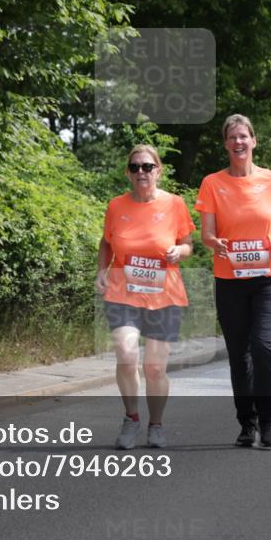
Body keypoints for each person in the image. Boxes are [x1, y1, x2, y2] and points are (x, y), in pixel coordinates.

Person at [195, 114, 271, 448]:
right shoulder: (212, 183)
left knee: (263, 347)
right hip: (230, 280)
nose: (239, 142)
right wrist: (214, 242)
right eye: (232, 137)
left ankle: (268, 420)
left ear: (253, 141)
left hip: (270, 277)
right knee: (239, 355)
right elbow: (206, 232)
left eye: (244, 136)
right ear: (226, 144)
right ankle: (246, 424)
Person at [96, 144, 195, 449]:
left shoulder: (175, 204)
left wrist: (180, 251)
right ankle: (132, 418)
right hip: (123, 292)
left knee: (155, 367)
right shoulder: (116, 206)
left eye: (148, 167)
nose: (142, 172)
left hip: (164, 294)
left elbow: (188, 244)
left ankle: (156, 424)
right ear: (128, 172)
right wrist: (102, 269)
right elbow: (106, 242)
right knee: (126, 356)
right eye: (136, 167)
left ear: (158, 171)